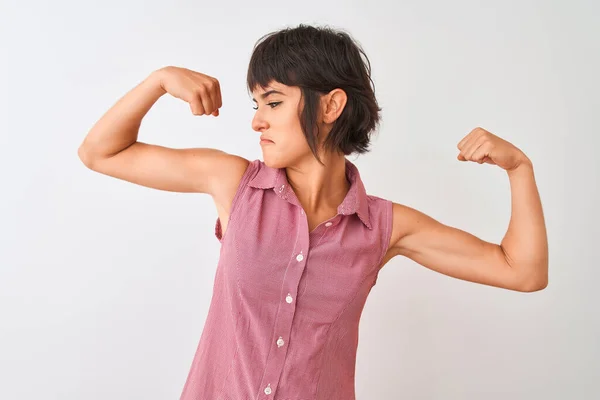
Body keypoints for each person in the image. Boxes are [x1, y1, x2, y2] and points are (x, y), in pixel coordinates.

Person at [78, 24, 548, 400]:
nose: (257, 120)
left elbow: (522, 271)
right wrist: (159, 80)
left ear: (332, 106)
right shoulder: (233, 185)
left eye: (274, 102)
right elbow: (101, 153)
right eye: (257, 104)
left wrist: (519, 169)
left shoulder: (383, 227)